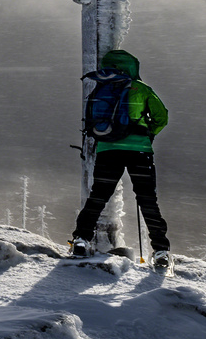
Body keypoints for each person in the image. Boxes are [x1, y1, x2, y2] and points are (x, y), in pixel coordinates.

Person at [69, 48, 171, 267]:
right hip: (139, 150)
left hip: (108, 150)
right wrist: (147, 133)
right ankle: (161, 251)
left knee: (99, 196)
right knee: (147, 199)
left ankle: (81, 239)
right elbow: (162, 116)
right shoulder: (140, 88)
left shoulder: (101, 86)